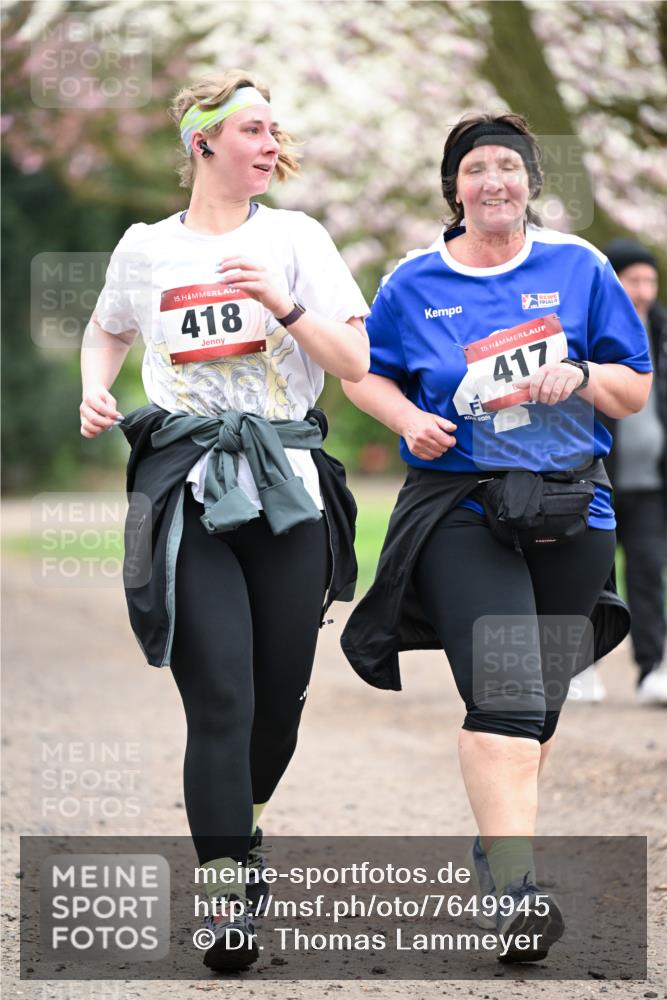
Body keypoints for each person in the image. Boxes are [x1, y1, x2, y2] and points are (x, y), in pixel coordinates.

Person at [340, 112, 652, 963]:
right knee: (509, 699)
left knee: (534, 720)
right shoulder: (413, 280)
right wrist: (410, 418)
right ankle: (517, 892)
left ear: (529, 183)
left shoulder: (579, 269)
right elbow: (362, 370)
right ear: (455, 188)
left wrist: (584, 374)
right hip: (463, 510)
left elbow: (630, 387)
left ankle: (496, 871)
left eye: (508, 168)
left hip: (570, 513)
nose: (493, 183)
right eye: (475, 169)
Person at [80, 69, 369, 972]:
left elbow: (355, 359)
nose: (270, 143)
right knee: (220, 702)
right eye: (253, 127)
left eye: (276, 130)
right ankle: (224, 897)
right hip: (185, 485)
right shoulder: (144, 247)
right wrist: (94, 383)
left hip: (285, 484)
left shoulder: (297, 237)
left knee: (274, 711)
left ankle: (242, 828)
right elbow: (109, 329)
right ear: (203, 142)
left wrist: (282, 303)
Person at [571, 239, 667, 705]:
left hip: (651, 484)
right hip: (596, 480)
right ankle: (582, 668)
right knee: (590, 576)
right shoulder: (593, 329)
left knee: (648, 573)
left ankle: (652, 668)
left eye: (650, 280)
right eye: (635, 280)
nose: (644, 290)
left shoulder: (663, 333)